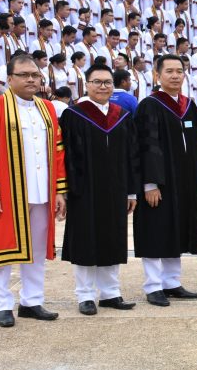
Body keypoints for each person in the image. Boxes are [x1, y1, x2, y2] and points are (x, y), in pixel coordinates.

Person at [0, 53, 67, 327]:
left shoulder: (47, 108)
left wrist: (60, 191)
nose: (31, 80)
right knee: (2, 249)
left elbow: (58, 152)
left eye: (35, 75)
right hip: (7, 192)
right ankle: (2, 305)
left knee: (37, 250)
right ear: (10, 79)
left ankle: (32, 301)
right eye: (24, 75)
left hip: (42, 191)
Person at [59, 62, 141, 315]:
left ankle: (110, 293)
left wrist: (131, 191)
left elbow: (132, 155)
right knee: (85, 240)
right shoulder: (74, 115)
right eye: (97, 82)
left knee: (112, 238)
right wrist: (67, 190)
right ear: (87, 84)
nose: (102, 87)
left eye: (107, 82)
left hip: (116, 188)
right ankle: (85, 295)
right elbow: (67, 156)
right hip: (84, 189)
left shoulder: (122, 115)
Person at [133, 54, 197, 306]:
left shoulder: (188, 106)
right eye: (169, 71)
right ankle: (153, 286)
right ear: (157, 75)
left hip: (184, 181)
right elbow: (145, 146)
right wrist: (150, 184)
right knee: (156, 230)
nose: (175, 76)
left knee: (177, 229)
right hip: (160, 182)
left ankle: (172, 282)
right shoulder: (149, 105)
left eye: (179, 71)